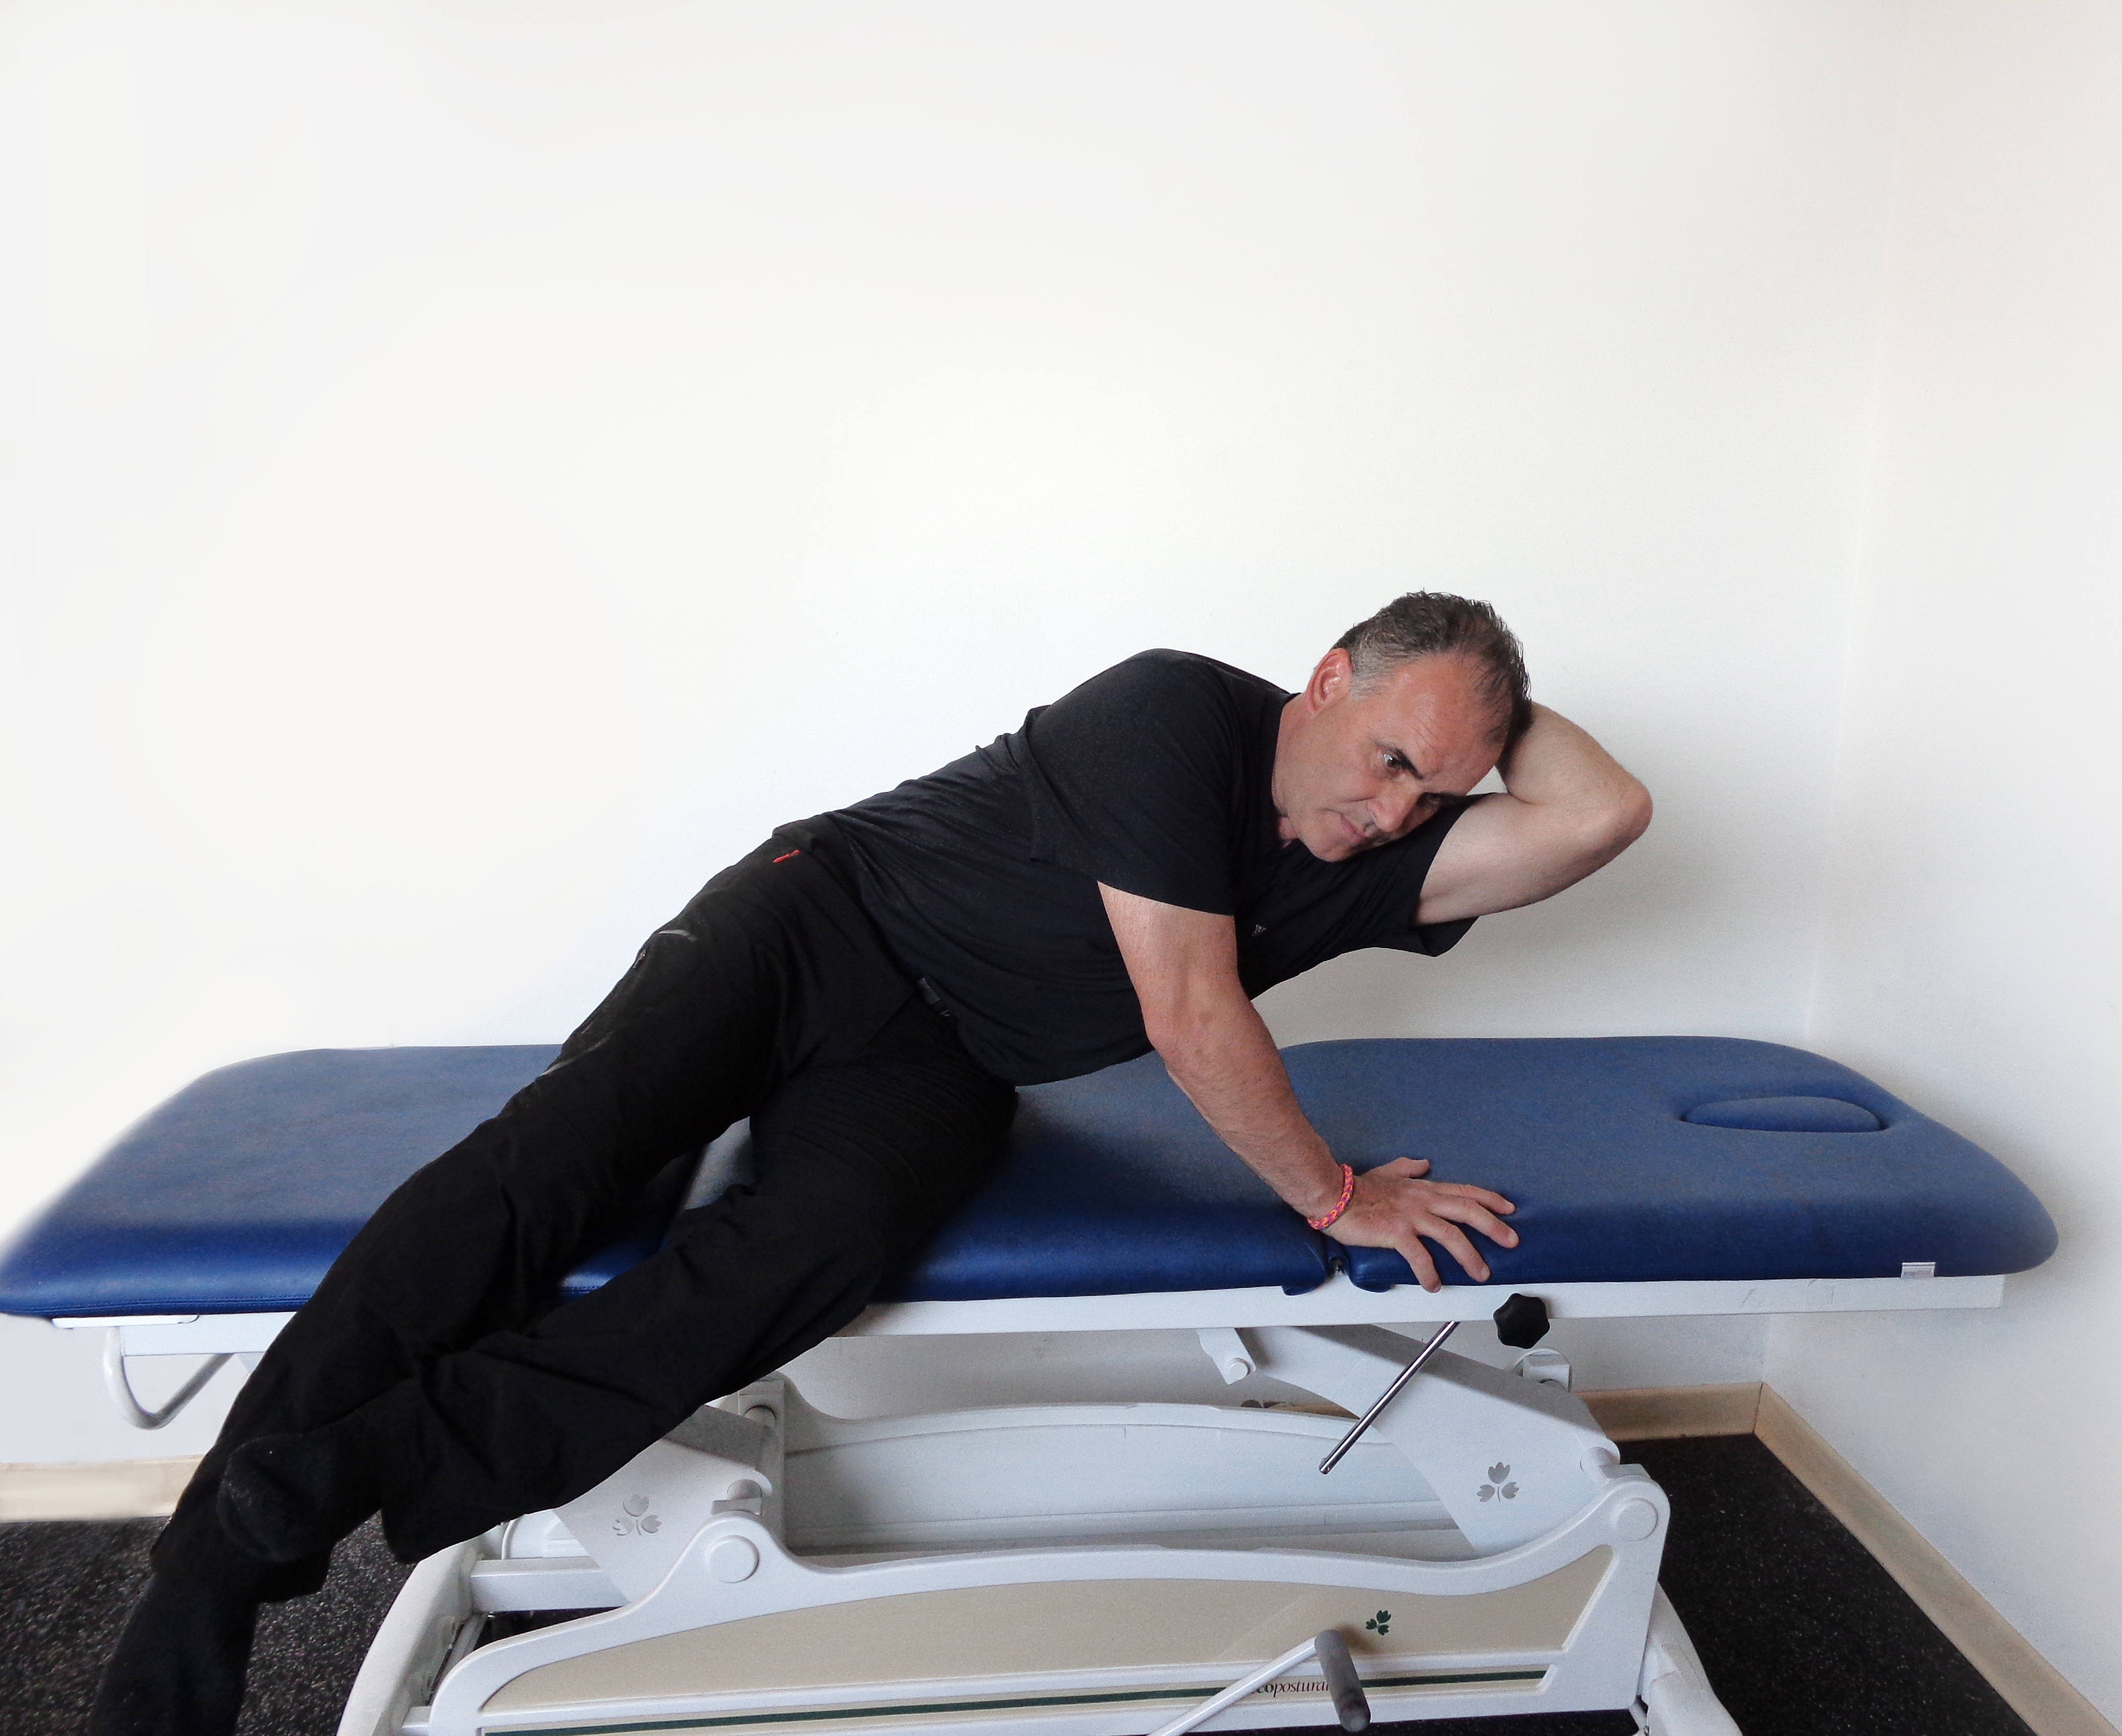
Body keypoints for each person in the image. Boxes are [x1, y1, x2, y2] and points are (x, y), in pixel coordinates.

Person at [88, 592, 1650, 1735]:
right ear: (1323, 680)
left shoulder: (1377, 853)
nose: (1393, 812)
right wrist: (1336, 1198)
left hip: (939, 1062)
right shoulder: (1178, 713)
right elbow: (1190, 1015)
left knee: (820, 1244)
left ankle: (353, 1467)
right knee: (563, 1157)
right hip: (817, 924)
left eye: (1438, 790)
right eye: (1387, 757)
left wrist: (1487, 701)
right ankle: (203, 1583)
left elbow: (1603, 813)